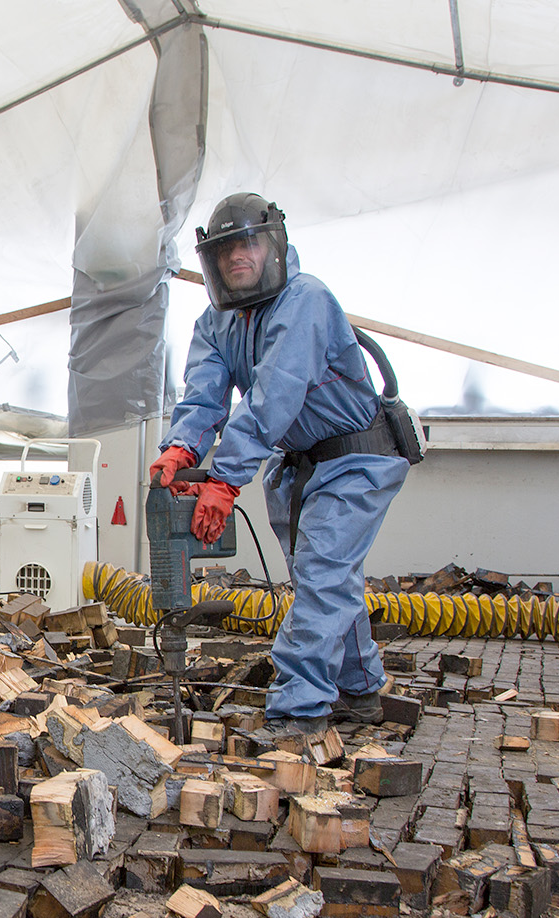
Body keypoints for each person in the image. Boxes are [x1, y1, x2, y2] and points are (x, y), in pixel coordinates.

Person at [149, 193, 409, 735]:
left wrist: (224, 478)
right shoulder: (216, 323)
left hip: (356, 455)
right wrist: (181, 450)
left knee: (321, 575)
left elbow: (273, 396)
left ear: (273, 247)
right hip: (296, 464)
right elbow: (202, 399)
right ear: (213, 263)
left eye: (248, 243)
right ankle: (359, 690)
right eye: (226, 251)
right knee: (325, 577)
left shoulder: (305, 300)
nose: (238, 257)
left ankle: (299, 711)